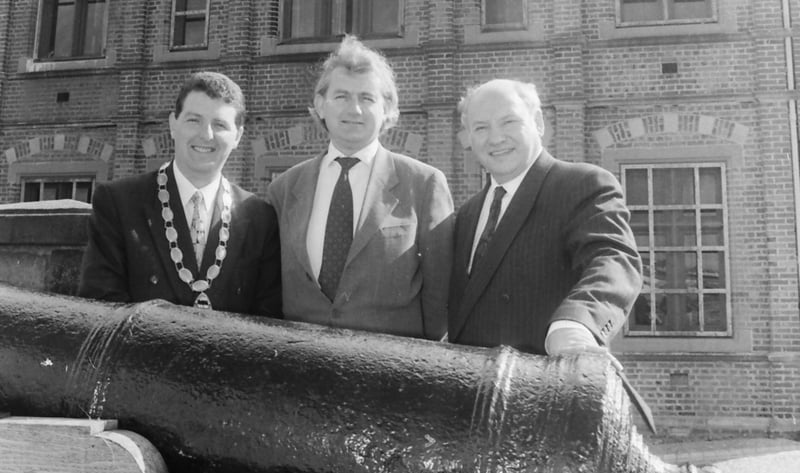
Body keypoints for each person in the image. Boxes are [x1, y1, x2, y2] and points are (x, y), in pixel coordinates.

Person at [267, 35, 453, 340]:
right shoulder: (284, 189)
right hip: (300, 368)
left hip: (389, 373)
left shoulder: (424, 185)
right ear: (320, 105)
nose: (354, 109)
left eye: (367, 98)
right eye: (341, 96)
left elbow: (440, 298)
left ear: (387, 110)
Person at [448, 78, 642, 357]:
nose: (496, 138)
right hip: (471, 390)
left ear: (538, 122)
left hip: (542, 387)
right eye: (481, 128)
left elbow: (614, 260)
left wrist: (577, 324)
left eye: (509, 122)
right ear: (468, 137)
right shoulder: (467, 214)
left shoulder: (580, 185)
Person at [79, 71, 282, 317]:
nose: (206, 135)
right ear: (173, 124)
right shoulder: (118, 203)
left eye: (219, 124)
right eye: (193, 120)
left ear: (238, 135)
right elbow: (102, 307)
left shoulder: (261, 217)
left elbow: (266, 321)